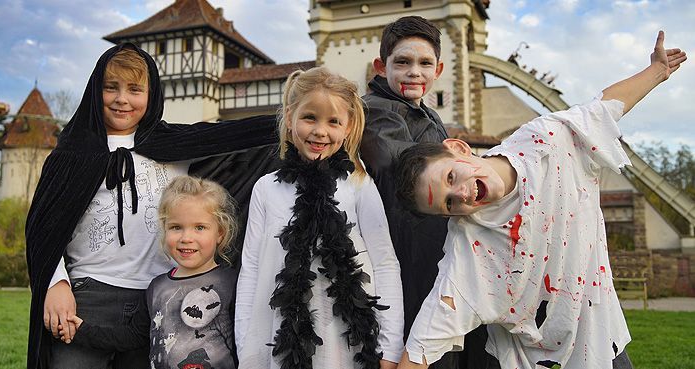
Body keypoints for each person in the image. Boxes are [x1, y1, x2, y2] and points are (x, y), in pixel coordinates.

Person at [394, 31, 686, 369]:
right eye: (447, 204)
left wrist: (657, 71)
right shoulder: (467, 248)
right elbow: (424, 340)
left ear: (459, 148)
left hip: (596, 332)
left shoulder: (544, 142)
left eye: (450, 177)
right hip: (520, 356)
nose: (460, 194)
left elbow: (602, 109)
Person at [25, 43, 278, 369]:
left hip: (161, 295)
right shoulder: (72, 154)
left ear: (152, 93)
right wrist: (55, 284)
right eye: (110, 88)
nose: (122, 99)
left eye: (134, 89)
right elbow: (42, 228)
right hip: (86, 297)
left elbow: (241, 137)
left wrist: (300, 120)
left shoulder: (175, 146)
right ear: (94, 91)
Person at [234, 66, 404, 369]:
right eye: (309, 117)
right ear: (290, 118)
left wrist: (390, 348)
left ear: (348, 127)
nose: (320, 131)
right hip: (277, 342)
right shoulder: (266, 189)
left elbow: (385, 263)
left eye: (333, 121)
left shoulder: (359, 185)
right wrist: (245, 346)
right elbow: (250, 270)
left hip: (347, 345)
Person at [361, 15, 496, 368]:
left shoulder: (428, 115)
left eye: (423, 64)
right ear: (381, 66)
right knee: (432, 339)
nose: (413, 72)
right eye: (402, 62)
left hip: (439, 242)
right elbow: (410, 167)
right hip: (410, 246)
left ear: (438, 70)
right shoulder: (376, 110)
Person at [57, 176, 240, 369]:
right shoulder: (157, 288)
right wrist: (84, 331)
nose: (186, 238)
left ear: (220, 233)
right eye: (176, 227)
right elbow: (133, 336)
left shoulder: (232, 283)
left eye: (200, 228)